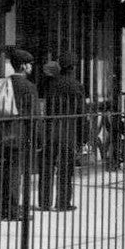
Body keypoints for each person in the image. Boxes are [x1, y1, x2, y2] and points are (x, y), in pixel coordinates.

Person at [0, 48, 41, 220]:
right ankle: (12, 209)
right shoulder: (29, 87)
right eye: (29, 64)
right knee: (14, 172)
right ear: (23, 66)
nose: (31, 67)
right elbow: (34, 116)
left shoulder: (2, 83)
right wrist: (37, 138)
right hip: (18, 136)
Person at [37, 54, 86, 211]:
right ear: (73, 67)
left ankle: (44, 201)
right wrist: (83, 137)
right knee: (66, 169)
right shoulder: (76, 86)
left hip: (50, 129)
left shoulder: (50, 84)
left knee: (46, 167)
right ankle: (63, 202)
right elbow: (81, 113)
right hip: (68, 131)